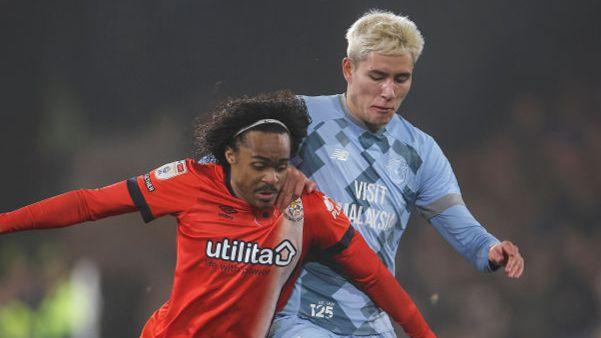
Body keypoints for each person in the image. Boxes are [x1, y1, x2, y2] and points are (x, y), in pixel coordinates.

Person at [0, 91, 436, 338]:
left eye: (281, 166)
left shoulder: (309, 211)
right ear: (229, 155)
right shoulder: (188, 183)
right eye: (259, 165)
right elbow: (88, 204)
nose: (271, 178)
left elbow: (377, 279)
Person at [270, 10, 525, 338]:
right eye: (377, 76)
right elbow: (220, 165)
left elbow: (461, 225)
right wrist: (275, 173)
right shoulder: (300, 116)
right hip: (298, 317)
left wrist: (490, 248)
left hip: (371, 324)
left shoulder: (421, 150)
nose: (388, 91)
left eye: (401, 78)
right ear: (349, 69)